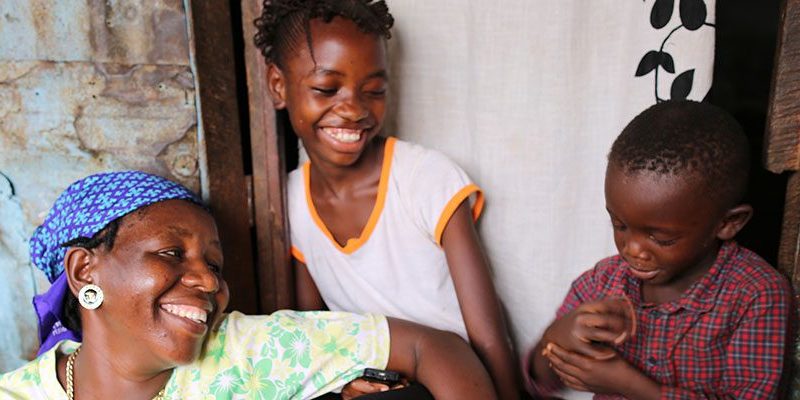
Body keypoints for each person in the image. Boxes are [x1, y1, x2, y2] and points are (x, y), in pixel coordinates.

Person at [0, 170, 497, 400]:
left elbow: (433, 348)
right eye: (173, 253)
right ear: (85, 270)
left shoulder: (250, 354)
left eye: (214, 265)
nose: (206, 281)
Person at [253, 1, 519, 399]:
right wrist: (346, 381)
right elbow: (314, 331)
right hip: (384, 380)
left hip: (458, 378)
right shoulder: (290, 201)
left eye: (374, 91)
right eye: (327, 89)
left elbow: (488, 335)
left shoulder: (425, 178)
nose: (354, 109)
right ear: (278, 86)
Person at [524, 100, 793, 399]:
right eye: (619, 224)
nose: (632, 249)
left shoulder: (755, 294)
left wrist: (631, 386)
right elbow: (539, 380)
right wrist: (561, 335)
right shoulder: (603, 282)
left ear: (729, 223)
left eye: (662, 239)